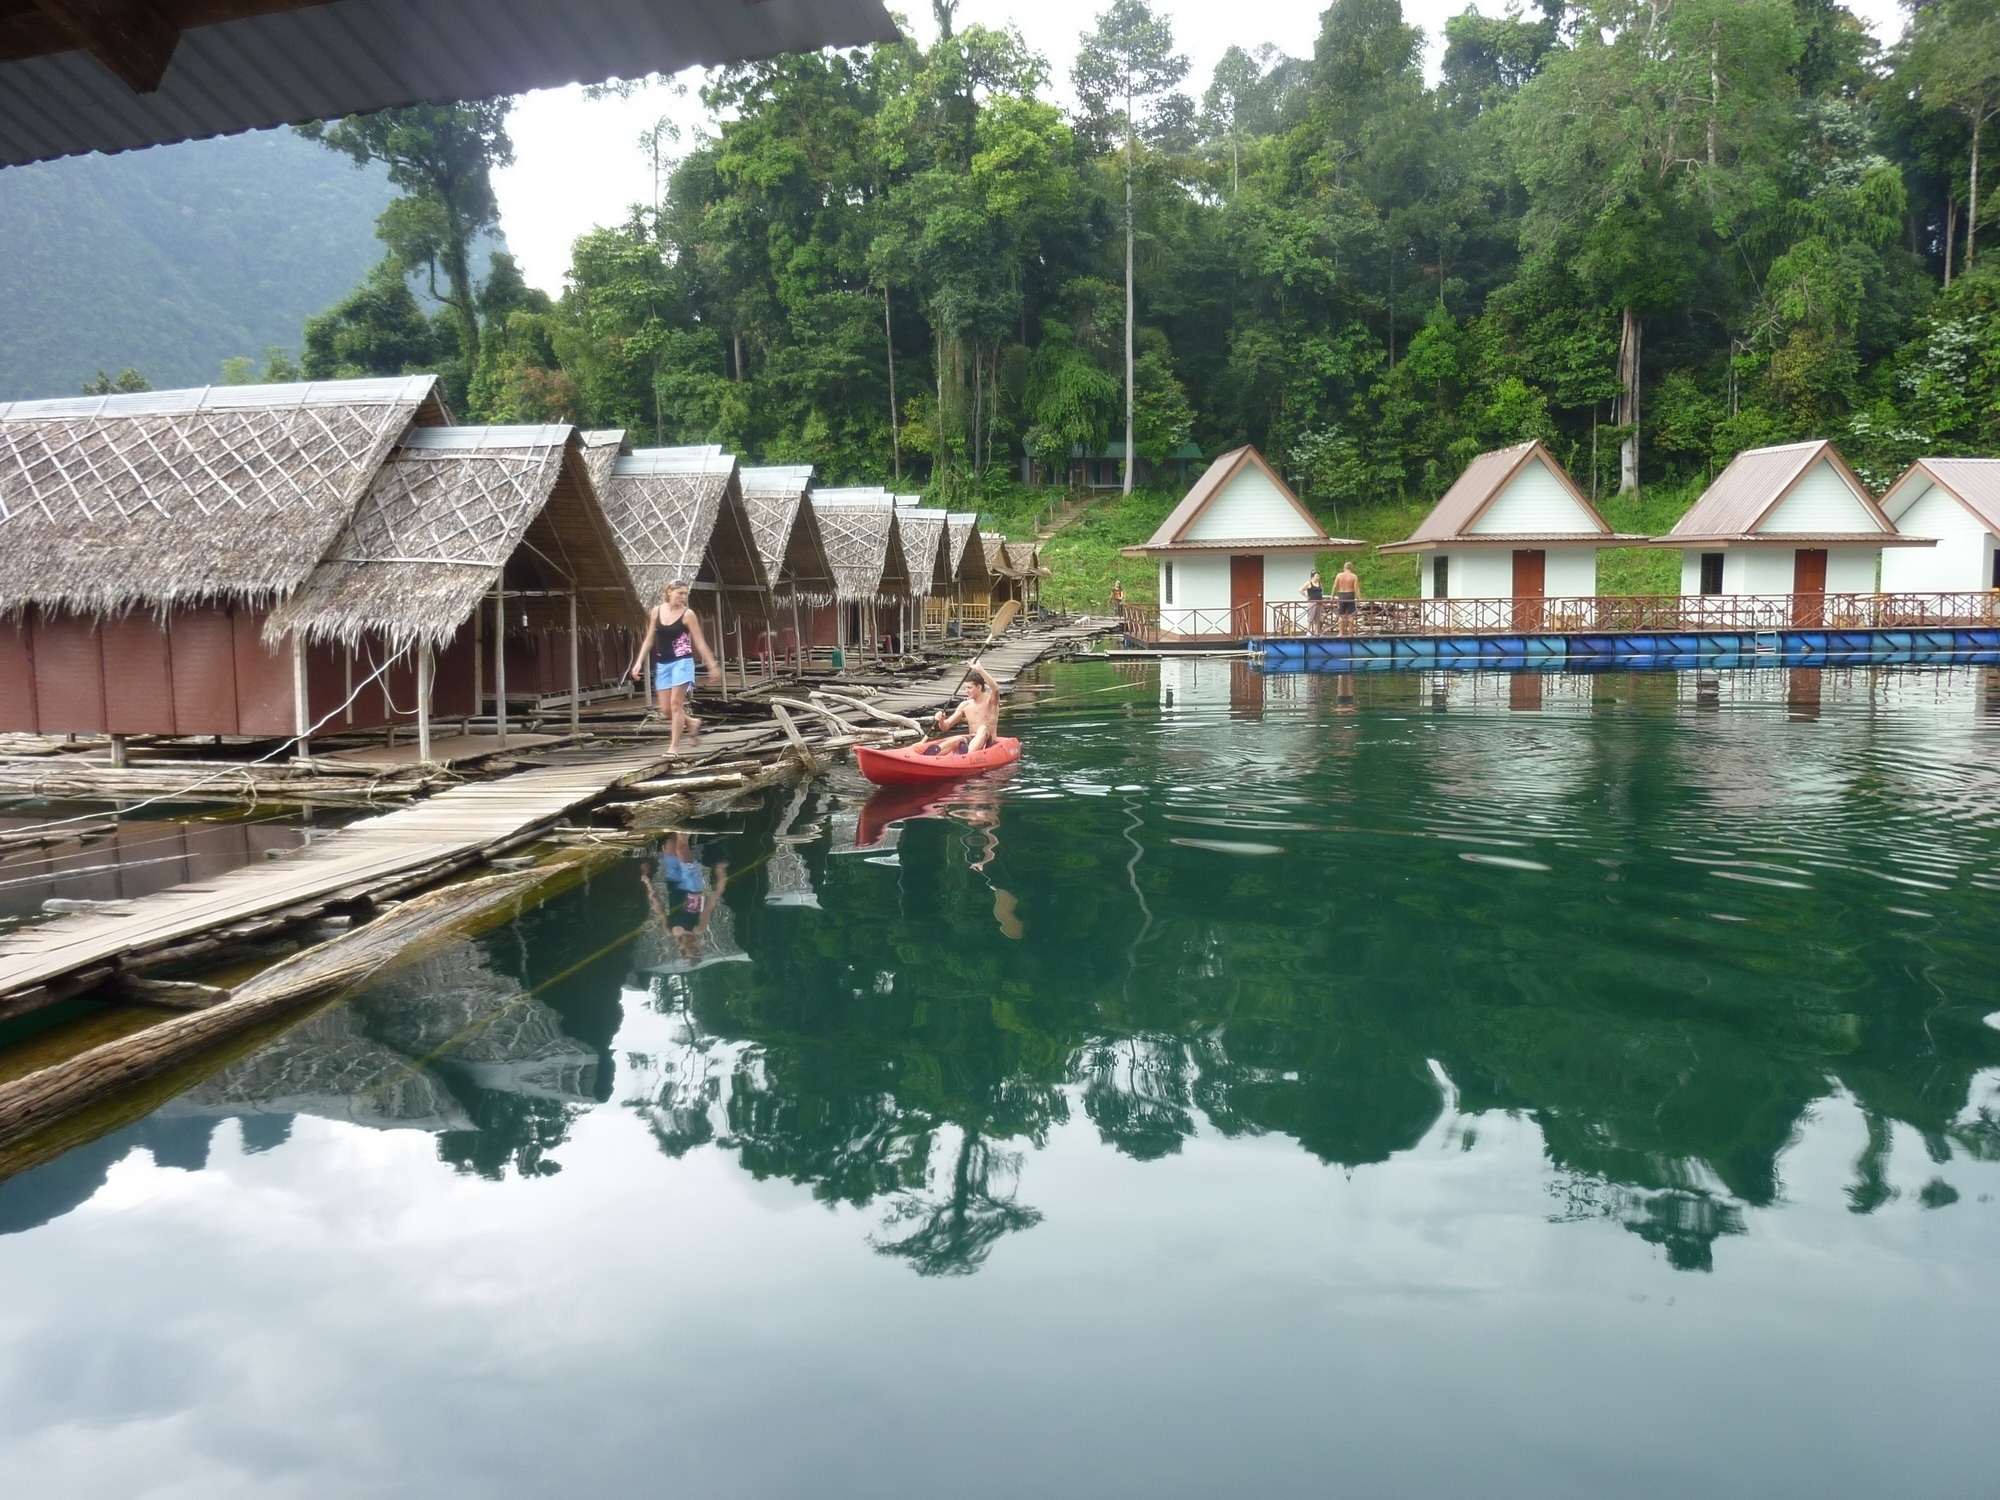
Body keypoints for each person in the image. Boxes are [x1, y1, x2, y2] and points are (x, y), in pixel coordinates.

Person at [628, 580, 723, 757]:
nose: (684, 597)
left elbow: (699, 641)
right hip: (663, 663)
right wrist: (638, 662)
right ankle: (692, 723)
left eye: (686, 594)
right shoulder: (656, 611)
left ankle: (674, 747)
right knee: (665, 709)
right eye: (680, 593)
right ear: (669, 592)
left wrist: (712, 665)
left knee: (675, 704)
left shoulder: (688, 614)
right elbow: (649, 639)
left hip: (683, 662)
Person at [643, 832, 730, 961]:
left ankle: (678, 825)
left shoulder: (669, 930)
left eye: (693, 952)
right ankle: (685, 826)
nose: (696, 949)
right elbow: (711, 901)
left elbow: (658, 906)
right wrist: (721, 876)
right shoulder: (698, 928)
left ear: (683, 952)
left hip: (673, 884)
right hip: (692, 886)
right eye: (698, 951)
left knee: (670, 844)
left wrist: (648, 883)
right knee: (682, 849)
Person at [931, 661, 1001, 753]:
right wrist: (941, 720)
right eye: (965, 688)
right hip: (972, 741)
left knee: (982, 728)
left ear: (979, 687)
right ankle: (930, 756)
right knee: (958, 739)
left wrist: (980, 670)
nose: (966, 691)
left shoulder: (991, 702)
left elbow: (995, 689)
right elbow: (946, 726)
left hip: (989, 742)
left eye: (969, 688)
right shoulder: (965, 705)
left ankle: (968, 755)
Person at [1333, 559, 1362, 639]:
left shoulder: (1339, 575)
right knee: (1351, 615)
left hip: (1341, 595)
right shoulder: (1354, 576)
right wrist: (1359, 599)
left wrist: (1332, 596)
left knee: (1341, 615)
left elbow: (1335, 586)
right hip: (1350, 595)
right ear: (1351, 568)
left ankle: (1340, 633)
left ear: (1344, 568)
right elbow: (1356, 588)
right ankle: (1350, 633)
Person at [1302, 570, 1325, 634]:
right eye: (1316, 576)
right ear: (1312, 576)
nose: (1318, 577)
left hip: (1319, 602)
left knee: (1318, 619)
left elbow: (1321, 590)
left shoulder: (1319, 583)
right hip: (1312, 602)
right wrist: (1306, 596)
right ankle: (1308, 632)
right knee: (1310, 618)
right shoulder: (1309, 583)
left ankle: (1317, 632)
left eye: (1318, 576)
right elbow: (1301, 589)